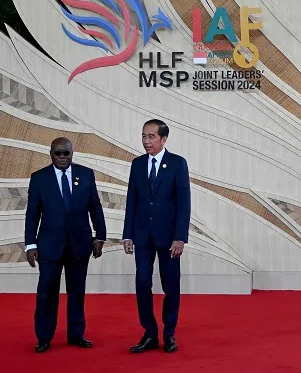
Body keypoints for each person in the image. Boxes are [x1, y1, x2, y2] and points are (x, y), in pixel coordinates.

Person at [25, 137, 107, 353]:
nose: (62, 157)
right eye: (57, 154)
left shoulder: (86, 175)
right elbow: (32, 214)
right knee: (46, 292)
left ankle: (76, 334)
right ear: (50, 154)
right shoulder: (39, 178)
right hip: (49, 246)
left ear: (72, 153)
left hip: (80, 244)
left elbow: (95, 207)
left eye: (66, 153)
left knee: (77, 291)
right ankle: (44, 337)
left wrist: (100, 236)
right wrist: (30, 244)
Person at [122, 119, 191, 354]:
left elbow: (184, 203)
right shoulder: (137, 164)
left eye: (151, 136)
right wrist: (127, 234)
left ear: (163, 139)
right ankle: (149, 333)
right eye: (144, 136)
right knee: (142, 283)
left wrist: (180, 237)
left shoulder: (178, 163)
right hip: (142, 236)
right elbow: (132, 200)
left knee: (171, 286)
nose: (146, 141)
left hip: (169, 238)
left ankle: (169, 333)